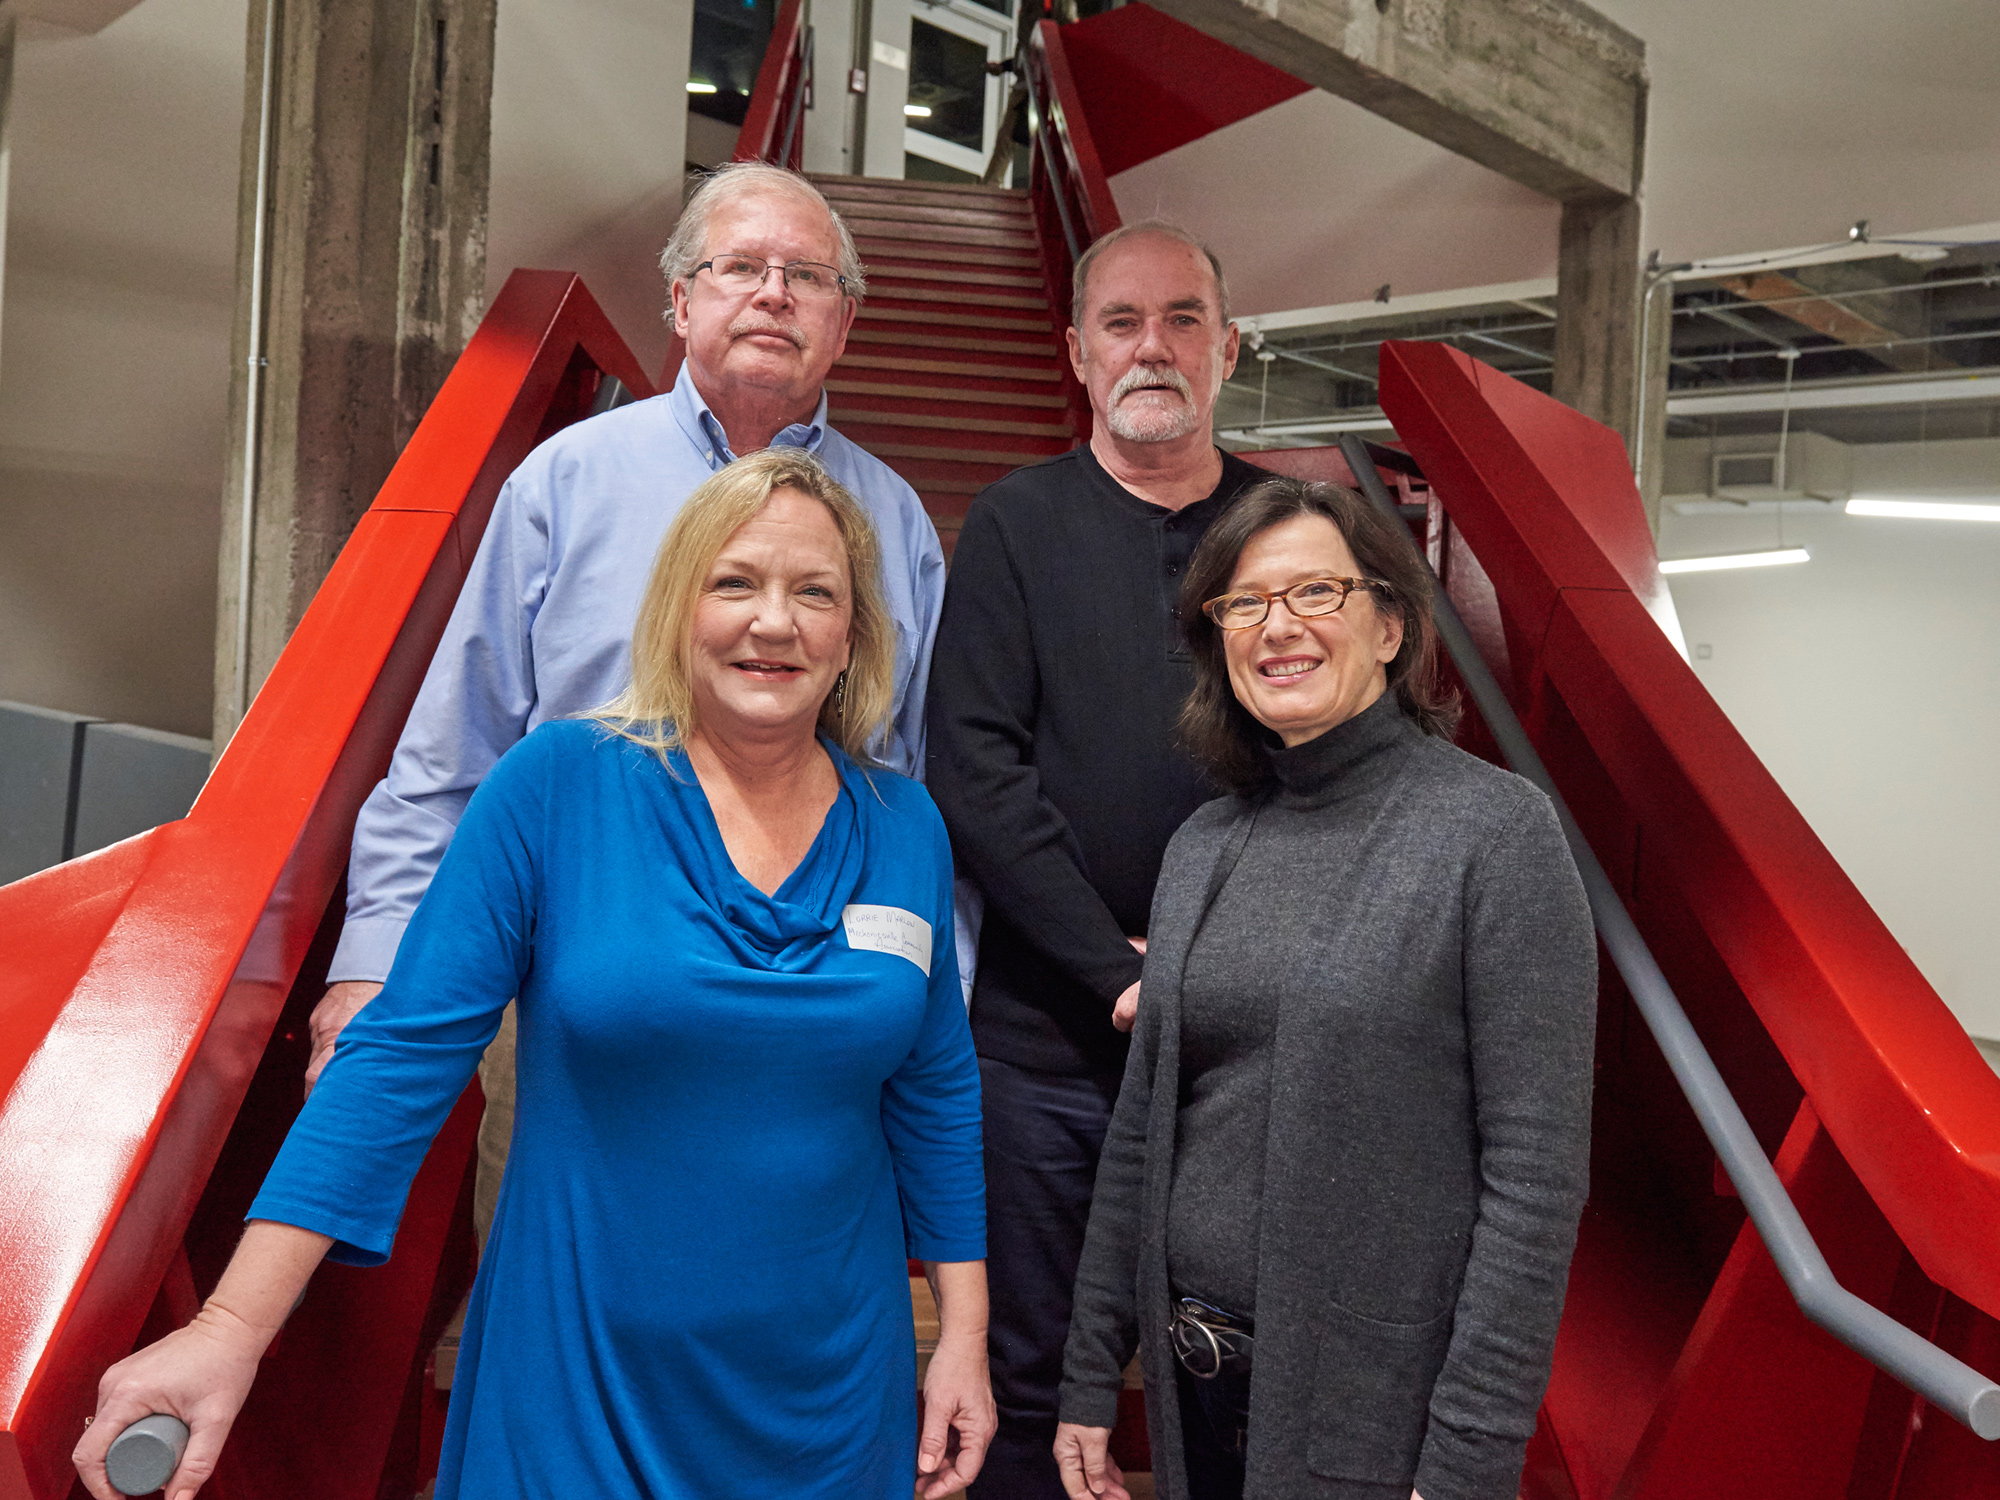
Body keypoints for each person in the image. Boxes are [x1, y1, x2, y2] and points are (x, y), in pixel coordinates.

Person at [75, 449, 993, 1500]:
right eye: (732, 583)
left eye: (813, 593)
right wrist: (229, 1329)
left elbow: (934, 1089)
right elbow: (402, 1056)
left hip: (828, 1393)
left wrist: (960, 1334)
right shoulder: (557, 784)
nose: (772, 622)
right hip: (581, 1377)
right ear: (676, 608)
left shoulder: (902, 826)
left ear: (854, 636)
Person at [307, 161, 948, 1242]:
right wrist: (374, 961)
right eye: (739, 265)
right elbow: (453, 747)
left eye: (807, 276)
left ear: (844, 322)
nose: (773, 293)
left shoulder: (896, 527)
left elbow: (907, 787)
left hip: (806, 1009)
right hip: (568, 993)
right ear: (680, 300)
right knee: (544, 1292)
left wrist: (924, 1008)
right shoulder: (562, 483)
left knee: (770, 1306)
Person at [1051, 476, 1596, 1500]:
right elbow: (1140, 1133)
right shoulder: (1204, 842)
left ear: (1388, 625)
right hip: (1193, 1389)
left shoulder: (1492, 835)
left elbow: (1533, 1183)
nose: (1276, 627)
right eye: (1244, 603)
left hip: (1368, 1411)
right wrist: (1090, 1375)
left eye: (1314, 593)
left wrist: (1469, 1459)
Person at [925, 221, 1266, 1496]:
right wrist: (1109, 968)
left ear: (1226, 349)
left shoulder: (1287, 532)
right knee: (1030, 1376)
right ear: (1075, 353)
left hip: (1242, 1046)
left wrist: (1212, 967)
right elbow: (972, 769)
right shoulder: (1014, 525)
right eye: (1120, 323)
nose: (1152, 347)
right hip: (1045, 1048)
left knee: (1226, 1372)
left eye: (1182, 318)